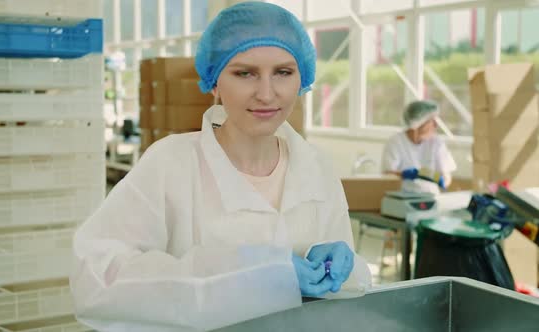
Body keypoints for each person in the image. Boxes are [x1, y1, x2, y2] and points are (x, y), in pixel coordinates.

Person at [70, 2, 371, 331]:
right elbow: (96, 281)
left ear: (302, 78)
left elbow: (348, 299)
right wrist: (244, 274)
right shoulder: (170, 164)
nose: (267, 94)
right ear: (214, 81)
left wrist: (341, 268)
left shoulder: (318, 169)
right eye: (245, 73)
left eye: (283, 72)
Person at [381, 100, 457, 194]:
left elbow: (446, 177)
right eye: (431, 121)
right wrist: (405, 174)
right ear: (418, 124)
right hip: (404, 198)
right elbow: (387, 174)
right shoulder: (395, 142)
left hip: (432, 197)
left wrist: (439, 178)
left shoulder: (437, 143)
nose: (436, 125)